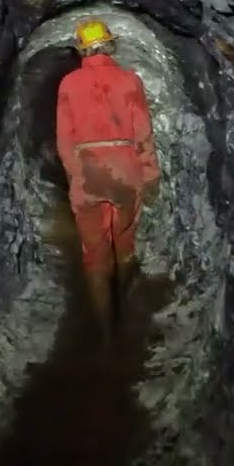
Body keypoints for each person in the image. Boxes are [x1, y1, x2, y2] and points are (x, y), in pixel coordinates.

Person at [55, 18, 161, 342]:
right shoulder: (130, 81)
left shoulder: (69, 84)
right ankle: (125, 300)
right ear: (110, 45)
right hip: (126, 171)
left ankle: (106, 332)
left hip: (88, 172)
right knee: (124, 243)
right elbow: (143, 133)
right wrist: (150, 174)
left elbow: (64, 140)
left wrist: (78, 177)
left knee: (94, 253)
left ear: (82, 50)